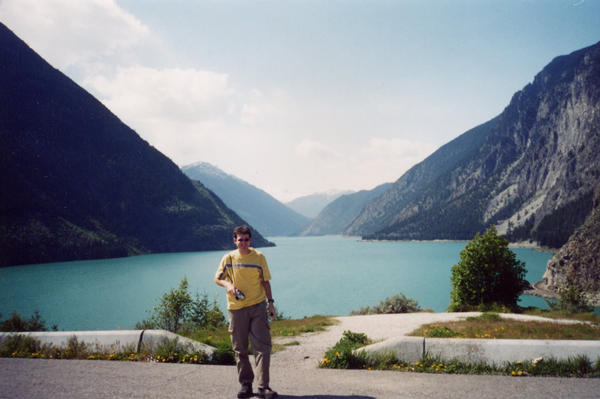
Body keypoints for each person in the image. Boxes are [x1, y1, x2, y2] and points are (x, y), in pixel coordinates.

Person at [215, 225, 278, 399]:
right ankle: (246, 385)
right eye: (239, 239)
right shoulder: (228, 258)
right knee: (239, 348)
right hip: (236, 309)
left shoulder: (259, 257)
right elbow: (217, 278)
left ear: (251, 240)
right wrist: (228, 285)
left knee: (262, 348)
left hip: (258, 306)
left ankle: (263, 387)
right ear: (234, 240)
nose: (243, 243)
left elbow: (265, 282)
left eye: (246, 239)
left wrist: (271, 303)